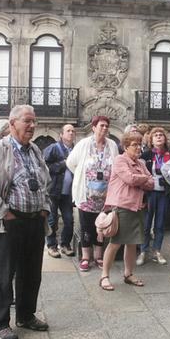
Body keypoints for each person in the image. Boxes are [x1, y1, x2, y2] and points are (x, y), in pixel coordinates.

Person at [0, 105, 51, 339]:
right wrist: (3, 212)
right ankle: (0, 324)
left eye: (34, 121)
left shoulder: (35, 150)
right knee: (5, 274)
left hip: (34, 220)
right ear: (12, 123)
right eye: (27, 121)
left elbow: (45, 182)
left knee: (32, 272)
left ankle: (25, 315)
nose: (32, 126)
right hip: (10, 222)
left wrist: (45, 208)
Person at [98, 132, 155, 290]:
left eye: (140, 145)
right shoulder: (120, 160)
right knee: (115, 243)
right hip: (122, 206)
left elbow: (151, 184)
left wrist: (140, 178)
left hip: (137, 207)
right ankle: (104, 276)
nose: (139, 148)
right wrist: (143, 177)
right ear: (125, 147)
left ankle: (128, 274)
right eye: (135, 145)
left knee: (132, 243)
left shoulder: (141, 163)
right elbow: (130, 179)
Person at [66, 116, 119, 272]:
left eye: (106, 126)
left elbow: (115, 166)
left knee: (102, 225)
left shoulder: (112, 145)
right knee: (86, 227)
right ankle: (85, 257)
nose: (104, 128)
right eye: (101, 125)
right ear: (94, 127)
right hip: (86, 194)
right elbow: (70, 162)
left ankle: (98, 256)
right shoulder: (83, 144)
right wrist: (82, 175)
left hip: (105, 195)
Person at [137, 127, 170, 266]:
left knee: (160, 223)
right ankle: (143, 251)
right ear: (151, 140)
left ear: (165, 139)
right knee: (146, 223)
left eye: (161, 135)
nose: (158, 137)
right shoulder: (146, 156)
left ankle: (157, 250)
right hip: (149, 193)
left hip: (163, 193)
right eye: (155, 135)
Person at [43, 124, 76, 259]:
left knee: (69, 220)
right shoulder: (53, 148)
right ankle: (51, 245)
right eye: (68, 131)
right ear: (61, 135)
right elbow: (44, 166)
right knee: (52, 220)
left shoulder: (75, 149)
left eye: (73, 131)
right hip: (53, 191)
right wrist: (64, 163)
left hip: (68, 193)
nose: (71, 133)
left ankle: (65, 244)